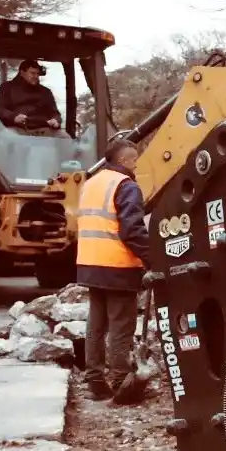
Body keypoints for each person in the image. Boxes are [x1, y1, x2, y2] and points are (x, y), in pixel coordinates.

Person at [76, 138, 149, 402]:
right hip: (118, 266)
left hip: (90, 264)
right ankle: (121, 382)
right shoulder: (126, 186)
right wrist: (151, 256)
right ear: (123, 160)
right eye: (134, 160)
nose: (136, 165)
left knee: (96, 325)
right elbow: (132, 229)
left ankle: (95, 382)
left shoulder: (91, 183)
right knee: (121, 327)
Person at [0, 60, 64, 134]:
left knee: (65, 137)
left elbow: (55, 113)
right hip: (16, 129)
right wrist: (13, 117)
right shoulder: (7, 88)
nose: (36, 76)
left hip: (43, 128)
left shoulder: (45, 92)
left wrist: (56, 120)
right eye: (32, 73)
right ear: (22, 73)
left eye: (37, 74)